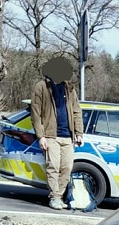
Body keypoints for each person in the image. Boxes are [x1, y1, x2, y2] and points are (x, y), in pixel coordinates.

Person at [31, 57, 84, 210]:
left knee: (67, 167)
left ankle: (59, 195)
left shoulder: (69, 88)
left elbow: (76, 111)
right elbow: (35, 113)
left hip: (68, 136)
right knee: (53, 166)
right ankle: (54, 197)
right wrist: (40, 136)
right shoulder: (41, 87)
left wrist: (79, 132)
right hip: (50, 135)